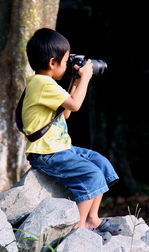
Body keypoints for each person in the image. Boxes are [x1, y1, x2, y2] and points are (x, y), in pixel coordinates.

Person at [22, 28, 122, 243]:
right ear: (52, 62)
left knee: (101, 163)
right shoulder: (42, 84)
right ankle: (80, 226)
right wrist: (86, 77)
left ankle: (93, 219)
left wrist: (76, 81)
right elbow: (75, 105)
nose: (68, 66)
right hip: (46, 153)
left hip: (60, 148)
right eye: (66, 61)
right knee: (91, 175)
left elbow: (65, 114)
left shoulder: (45, 84)